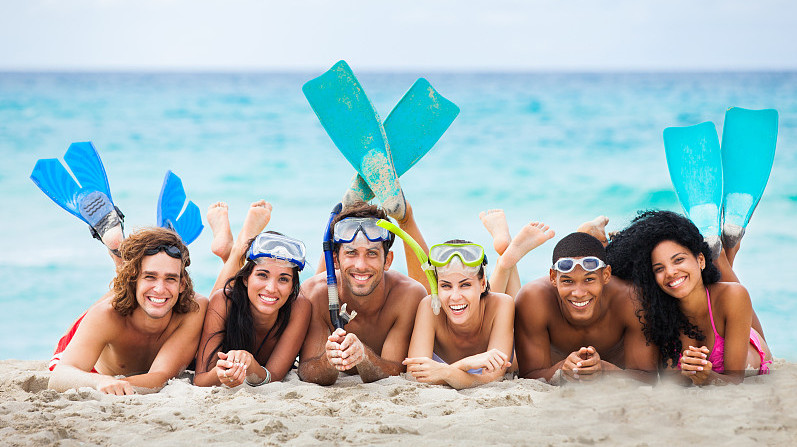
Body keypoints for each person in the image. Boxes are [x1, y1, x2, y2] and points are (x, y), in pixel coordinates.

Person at [606, 210, 772, 385]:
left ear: (700, 260)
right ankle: (723, 251)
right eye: (659, 269)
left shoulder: (733, 296)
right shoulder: (661, 317)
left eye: (678, 260)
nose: (670, 272)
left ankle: (723, 254)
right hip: (714, 309)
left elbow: (735, 379)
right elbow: (674, 382)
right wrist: (688, 372)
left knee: (732, 289)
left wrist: (707, 376)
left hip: (748, 347)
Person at [48, 227, 208, 395]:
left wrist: (117, 385)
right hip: (94, 366)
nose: (160, 289)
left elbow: (160, 377)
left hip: (133, 302)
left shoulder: (194, 308)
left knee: (145, 295)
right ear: (134, 278)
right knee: (114, 304)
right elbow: (58, 377)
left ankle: (123, 260)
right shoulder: (106, 315)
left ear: (182, 284)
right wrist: (100, 382)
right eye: (150, 277)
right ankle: (121, 262)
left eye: (170, 278)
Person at [298, 202, 427, 385]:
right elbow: (308, 371)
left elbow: (396, 370)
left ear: (387, 260)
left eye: (371, 253)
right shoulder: (313, 295)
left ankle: (406, 218)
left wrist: (364, 356)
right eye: (351, 252)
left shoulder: (408, 296)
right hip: (327, 286)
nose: (361, 265)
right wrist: (328, 360)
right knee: (320, 286)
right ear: (335, 260)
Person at [512, 232, 658, 384]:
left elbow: (648, 377)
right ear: (553, 277)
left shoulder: (631, 300)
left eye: (589, 279)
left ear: (606, 275)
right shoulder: (534, 299)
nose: (579, 293)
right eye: (568, 281)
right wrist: (562, 369)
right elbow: (529, 374)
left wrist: (604, 369)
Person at [194, 201, 311, 387]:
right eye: (262, 275)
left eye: (283, 279)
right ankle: (237, 250)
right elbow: (200, 379)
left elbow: (274, 376)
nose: (271, 288)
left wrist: (249, 364)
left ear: (292, 287)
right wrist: (222, 371)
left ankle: (234, 252)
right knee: (218, 297)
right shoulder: (223, 300)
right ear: (246, 278)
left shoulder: (300, 306)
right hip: (230, 297)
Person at [403, 241, 514, 389]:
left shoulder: (503, 304)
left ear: (483, 284)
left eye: (465, 285)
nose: (455, 297)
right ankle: (505, 260)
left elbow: (493, 378)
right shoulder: (429, 307)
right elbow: (414, 376)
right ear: (436, 287)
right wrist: (465, 364)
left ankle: (505, 261)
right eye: (445, 286)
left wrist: (443, 372)